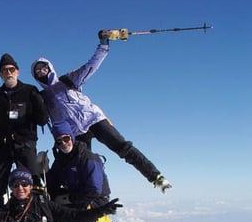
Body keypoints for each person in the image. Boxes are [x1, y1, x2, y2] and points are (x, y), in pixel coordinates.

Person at [30, 33, 172, 193]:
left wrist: (103, 46)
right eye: (38, 71)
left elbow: (90, 66)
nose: (41, 71)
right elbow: (39, 117)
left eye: (44, 67)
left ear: (50, 67)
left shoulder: (67, 80)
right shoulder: (41, 98)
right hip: (75, 133)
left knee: (123, 147)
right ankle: (91, 200)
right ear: (36, 77)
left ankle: (155, 176)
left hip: (94, 119)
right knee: (83, 165)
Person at [0, 53, 49, 198]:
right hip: (1, 147)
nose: (8, 73)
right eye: (5, 70)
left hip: (25, 145)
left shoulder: (30, 91)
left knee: (31, 182)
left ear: (17, 71)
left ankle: (36, 213)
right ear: (0, 74)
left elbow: (42, 119)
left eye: (11, 69)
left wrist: (39, 103)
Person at [47, 122, 112, 222]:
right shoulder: (60, 160)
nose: (64, 143)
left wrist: (70, 199)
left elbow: (94, 190)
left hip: (96, 199)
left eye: (66, 139)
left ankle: (100, 221)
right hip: (75, 194)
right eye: (59, 141)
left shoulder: (88, 158)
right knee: (49, 206)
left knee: (86, 211)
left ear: (72, 137)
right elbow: (52, 183)